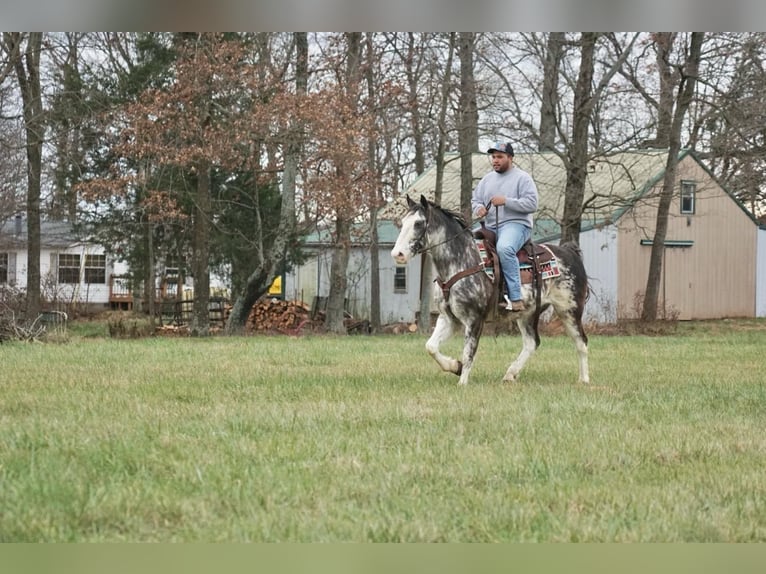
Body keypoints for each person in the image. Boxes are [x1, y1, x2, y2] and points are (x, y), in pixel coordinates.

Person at [471, 141, 538, 312]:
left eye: (500, 157)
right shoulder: (487, 179)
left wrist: (506, 201)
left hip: (517, 225)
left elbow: (532, 204)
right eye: (493, 157)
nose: (495, 160)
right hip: (491, 226)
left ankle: (516, 298)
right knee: (467, 243)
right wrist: (478, 209)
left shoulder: (522, 178)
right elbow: (476, 200)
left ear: (510, 158)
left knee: (505, 248)